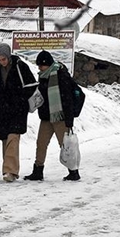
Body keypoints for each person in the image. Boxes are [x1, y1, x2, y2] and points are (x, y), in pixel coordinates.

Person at [24, 50, 80, 182]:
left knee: (65, 145)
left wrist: (69, 119)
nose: (39, 68)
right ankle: (38, 170)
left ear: (48, 64)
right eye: (38, 66)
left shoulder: (61, 75)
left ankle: (73, 171)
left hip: (60, 117)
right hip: (46, 116)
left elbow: (67, 98)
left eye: (41, 65)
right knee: (41, 143)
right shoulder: (43, 76)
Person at [0, 43, 35, 182]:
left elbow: (30, 85)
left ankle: (10, 170)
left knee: (13, 139)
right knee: (5, 140)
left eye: (3, 59)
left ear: (8, 56)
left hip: (17, 110)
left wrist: (18, 99)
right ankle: (8, 169)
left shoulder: (20, 66)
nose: (1, 62)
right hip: (1, 110)